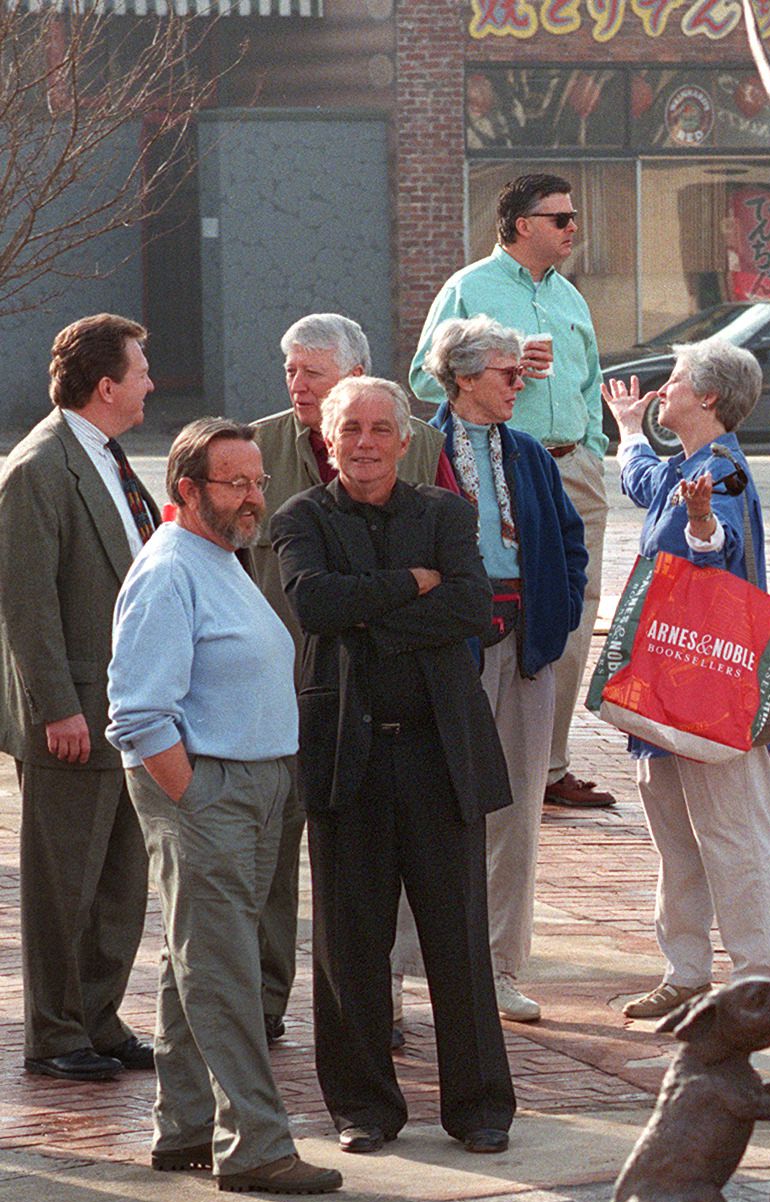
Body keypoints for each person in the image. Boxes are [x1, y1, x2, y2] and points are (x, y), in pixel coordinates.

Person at [274, 377, 516, 1156]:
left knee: (459, 939)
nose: (368, 443)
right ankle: (364, 1110)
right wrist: (411, 588)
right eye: (353, 430)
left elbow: (474, 608)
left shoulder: (446, 514)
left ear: (405, 439)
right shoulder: (300, 518)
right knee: (350, 945)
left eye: (382, 428)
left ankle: (479, 1109)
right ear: (330, 440)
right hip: (347, 755)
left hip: (439, 753)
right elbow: (313, 604)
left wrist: (366, 617)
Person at [107, 418, 339, 1195]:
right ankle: (257, 1147)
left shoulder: (222, 556)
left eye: (257, 482)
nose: (253, 498)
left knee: (194, 960)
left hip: (253, 784)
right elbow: (137, 711)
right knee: (227, 968)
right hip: (211, 790)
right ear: (187, 490)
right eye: (234, 483)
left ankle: (185, 1129)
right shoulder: (169, 568)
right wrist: (196, 798)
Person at [248, 311, 451, 1045]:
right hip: (276, 684)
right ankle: (264, 1001)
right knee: (274, 852)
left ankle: (381, 1004)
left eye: (313, 372)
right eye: (291, 371)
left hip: (380, 690)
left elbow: (457, 579)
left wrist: (370, 610)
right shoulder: (254, 448)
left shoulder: (422, 444)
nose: (297, 385)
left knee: (373, 863)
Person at [602, 339, 770, 1021]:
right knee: (678, 841)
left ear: (707, 397)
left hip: (710, 693)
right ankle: (685, 970)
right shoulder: (685, 467)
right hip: (666, 688)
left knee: (733, 838)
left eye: (675, 379)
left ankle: (762, 978)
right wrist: (627, 432)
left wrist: (703, 522)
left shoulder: (724, 475)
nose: (663, 389)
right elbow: (642, 481)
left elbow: (721, 543)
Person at [411, 171, 612, 811]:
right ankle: (490, 753)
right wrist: (507, 360)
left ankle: (548, 765)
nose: (572, 227)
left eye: (573, 216)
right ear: (524, 225)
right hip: (504, 468)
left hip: (571, 468)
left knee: (573, 614)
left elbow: (589, 381)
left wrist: (592, 450)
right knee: (501, 610)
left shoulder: (571, 298)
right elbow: (422, 376)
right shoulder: (469, 288)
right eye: (561, 218)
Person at [0, 314, 157, 1083]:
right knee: (64, 884)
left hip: (129, 713)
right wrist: (55, 708)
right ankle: (55, 1034)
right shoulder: (37, 468)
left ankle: (99, 1019)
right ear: (106, 386)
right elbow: (25, 606)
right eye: (141, 370)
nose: (151, 382)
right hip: (74, 721)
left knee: (121, 878)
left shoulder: (106, 456)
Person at [418, 315, 589, 1023]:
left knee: (516, 813)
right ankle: (405, 973)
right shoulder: (420, 450)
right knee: (429, 808)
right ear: (462, 377)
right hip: (444, 650)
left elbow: (570, 544)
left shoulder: (529, 455)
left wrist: (555, 614)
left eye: (522, 372)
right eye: (508, 373)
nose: (521, 383)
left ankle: (498, 968)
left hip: (524, 649)